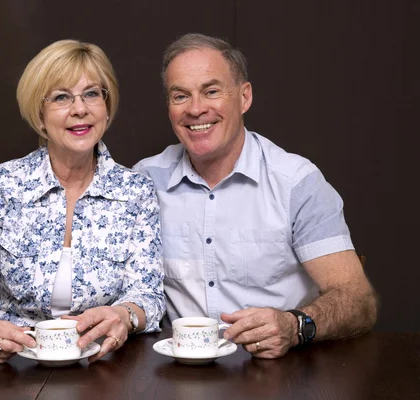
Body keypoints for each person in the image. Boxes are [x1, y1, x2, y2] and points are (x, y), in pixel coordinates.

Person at [134, 33, 377, 359]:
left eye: (212, 91)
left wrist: (294, 326)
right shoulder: (143, 182)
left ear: (244, 97)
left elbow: (358, 298)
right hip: (177, 374)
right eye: (180, 96)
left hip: (281, 371)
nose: (195, 109)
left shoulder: (295, 182)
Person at [0, 39, 165, 364]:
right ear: (39, 115)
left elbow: (148, 296)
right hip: (13, 368)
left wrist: (124, 316)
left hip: (105, 370)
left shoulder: (136, 191)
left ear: (106, 107)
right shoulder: (5, 184)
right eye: (61, 97)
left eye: (92, 93)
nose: (79, 108)